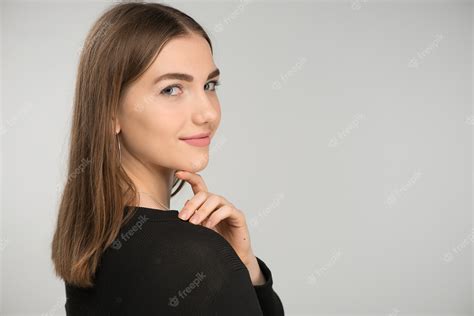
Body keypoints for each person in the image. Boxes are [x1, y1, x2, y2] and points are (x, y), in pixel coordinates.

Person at [51, 2, 284, 315]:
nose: (208, 113)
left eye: (209, 85)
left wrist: (247, 267)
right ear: (109, 111)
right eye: (172, 89)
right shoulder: (199, 261)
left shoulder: (93, 241)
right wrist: (227, 266)